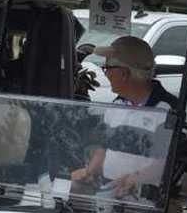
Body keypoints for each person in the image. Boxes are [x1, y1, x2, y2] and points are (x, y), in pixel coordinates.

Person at [71, 36, 177, 197]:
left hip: (146, 198)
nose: (105, 73)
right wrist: (88, 172)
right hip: (109, 191)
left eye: (107, 67)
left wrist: (133, 179)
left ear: (125, 73)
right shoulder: (116, 104)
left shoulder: (167, 109)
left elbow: (164, 164)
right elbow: (103, 147)